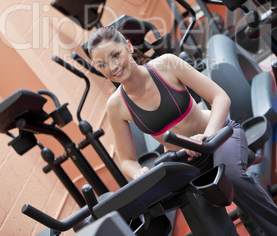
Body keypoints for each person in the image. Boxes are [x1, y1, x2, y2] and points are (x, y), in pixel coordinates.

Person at [87, 25, 277, 235]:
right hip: (185, 161)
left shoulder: (166, 65)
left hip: (219, 136)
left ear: (129, 47)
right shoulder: (116, 106)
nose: (112, 67)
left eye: (115, 55)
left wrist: (207, 136)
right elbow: (127, 161)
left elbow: (220, 98)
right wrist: (138, 172)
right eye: (102, 64)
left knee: (233, 177)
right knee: (205, 222)